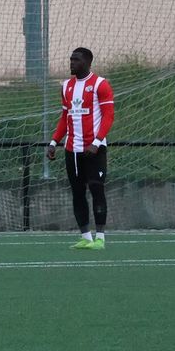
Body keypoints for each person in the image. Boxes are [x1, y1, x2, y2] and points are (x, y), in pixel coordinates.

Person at [46, 46, 115, 250]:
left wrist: (97, 141)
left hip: (94, 150)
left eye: (75, 60)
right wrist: (53, 142)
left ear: (87, 62)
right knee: (77, 192)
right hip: (72, 150)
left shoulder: (100, 84)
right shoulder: (66, 86)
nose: (71, 63)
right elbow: (65, 118)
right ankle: (86, 237)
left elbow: (108, 116)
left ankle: (100, 238)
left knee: (96, 189)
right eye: (71, 59)